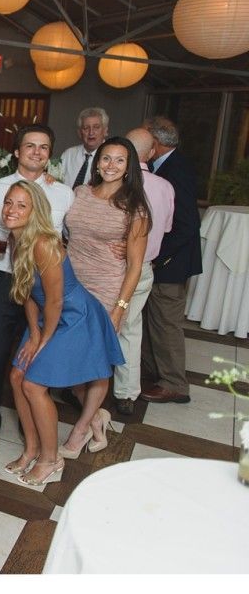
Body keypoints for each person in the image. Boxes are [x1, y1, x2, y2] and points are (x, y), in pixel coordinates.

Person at [1, 181, 122, 486]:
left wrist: (44, 338)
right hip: (48, 317)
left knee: (33, 385)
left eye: (21, 205)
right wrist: (32, 333)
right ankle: (31, 449)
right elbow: (28, 293)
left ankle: (51, 460)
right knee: (16, 377)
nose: (11, 210)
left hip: (76, 317)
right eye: (8, 203)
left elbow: (54, 300)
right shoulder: (17, 239)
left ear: (35, 211)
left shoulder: (45, 243)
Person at [0, 125, 74, 453]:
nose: (37, 152)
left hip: (43, 288)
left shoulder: (64, 194)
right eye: (30, 146)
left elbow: (70, 238)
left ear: (50, 154)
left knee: (37, 354)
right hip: (4, 280)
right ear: (17, 151)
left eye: (44, 147)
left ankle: (38, 426)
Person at [62, 137, 151, 455]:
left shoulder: (134, 206)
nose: (111, 165)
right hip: (71, 284)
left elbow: (136, 265)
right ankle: (98, 415)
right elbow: (65, 234)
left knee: (95, 363)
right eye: (106, 159)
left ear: (129, 168)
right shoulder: (79, 193)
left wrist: (120, 308)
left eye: (119, 160)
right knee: (71, 361)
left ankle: (82, 430)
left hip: (107, 290)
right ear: (97, 162)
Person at [140, 116, 202, 405]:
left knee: (166, 324)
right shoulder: (166, 166)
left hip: (171, 264)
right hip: (166, 260)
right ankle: (157, 373)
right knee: (154, 321)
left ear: (157, 142)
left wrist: (157, 258)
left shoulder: (177, 169)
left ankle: (175, 384)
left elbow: (187, 225)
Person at [115, 127, 174, 415]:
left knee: (99, 325)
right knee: (129, 329)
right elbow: (166, 229)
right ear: (151, 152)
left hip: (110, 266)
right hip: (144, 270)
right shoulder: (165, 187)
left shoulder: (116, 183)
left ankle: (82, 386)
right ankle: (125, 394)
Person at [61, 107, 109, 189]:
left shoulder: (112, 157)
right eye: (86, 128)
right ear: (79, 133)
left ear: (105, 131)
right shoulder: (69, 154)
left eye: (96, 127)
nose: (91, 132)